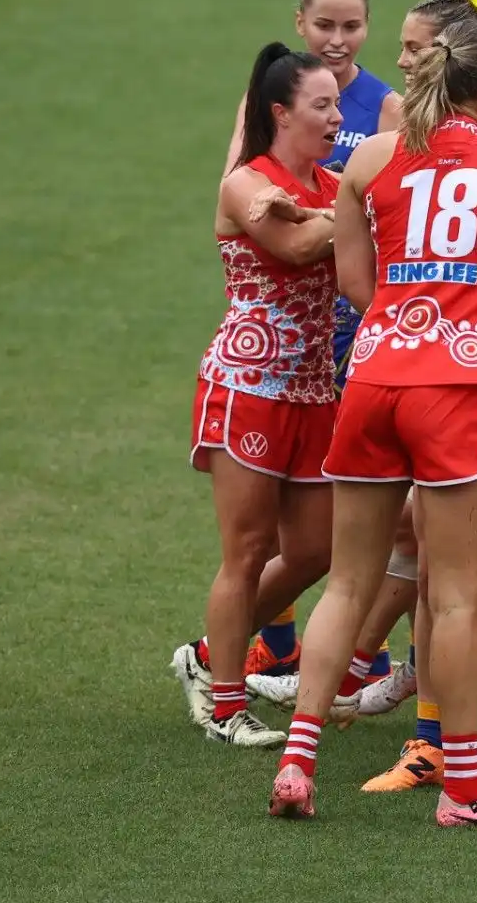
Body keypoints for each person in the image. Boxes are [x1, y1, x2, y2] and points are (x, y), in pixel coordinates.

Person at [268, 17, 477, 828]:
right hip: (459, 388)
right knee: (458, 593)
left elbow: (358, 288)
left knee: (348, 581)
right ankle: (464, 793)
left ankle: (298, 761)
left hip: (373, 378)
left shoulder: (367, 159)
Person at [217, 0, 402, 683]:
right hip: (275, 340)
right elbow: (250, 199)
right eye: (324, 25)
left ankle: (346, 650)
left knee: (322, 531)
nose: (336, 38)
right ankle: (264, 651)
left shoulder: (385, 106)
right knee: (260, 534)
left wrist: (321, 213)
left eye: (350, 25)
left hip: (348, 327)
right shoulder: (273, 97)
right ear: (301, 24)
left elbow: (380, 215)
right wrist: (303, 213)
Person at [171, 44, 343, 745]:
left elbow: (333, 234)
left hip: (313, 390)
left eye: (336, 104)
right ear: (281, 112)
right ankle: (226, 709)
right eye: (321, 105)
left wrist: (336, 211)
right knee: (246, 550)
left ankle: (208, 657)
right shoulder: (247, 183)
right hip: (248, 386)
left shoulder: (332, 186)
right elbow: (297, 250)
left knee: (315, 550)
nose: (336, 118)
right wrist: (355, 213)